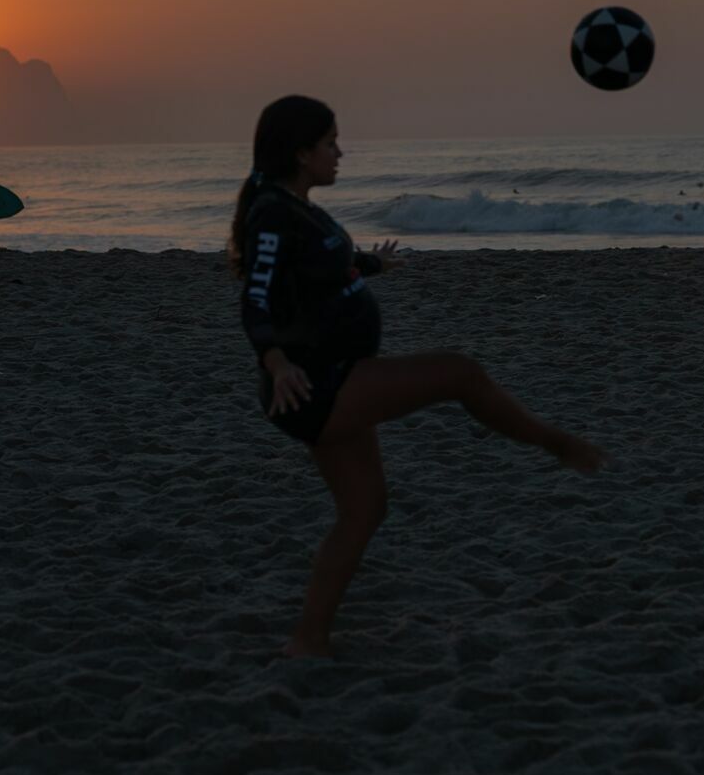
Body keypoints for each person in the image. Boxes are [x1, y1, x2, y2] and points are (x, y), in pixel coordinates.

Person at [230, 96, 606, 659]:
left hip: (333, 379)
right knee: (460, 373)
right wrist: (277, 363)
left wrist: (372, 265)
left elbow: (320, 268)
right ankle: (557, 444)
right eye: (331, 142)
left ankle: (307, 641)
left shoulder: (296, 207)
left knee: (364, 511)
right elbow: (255, 302)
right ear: (302, 152)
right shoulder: (271, 214)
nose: (341, 152)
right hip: (316, 385)